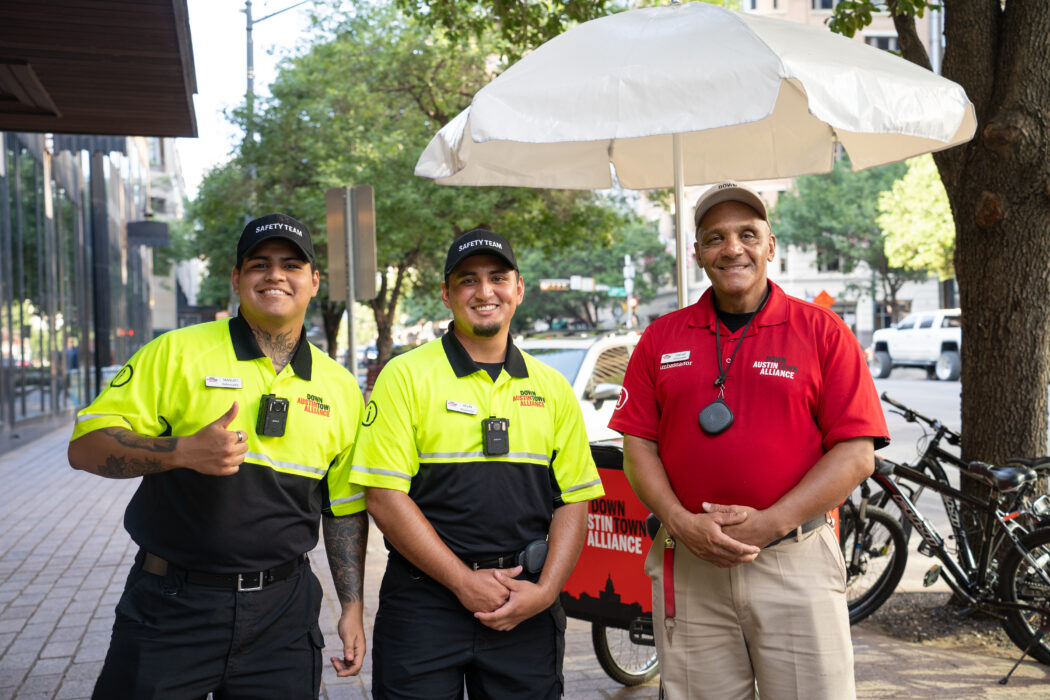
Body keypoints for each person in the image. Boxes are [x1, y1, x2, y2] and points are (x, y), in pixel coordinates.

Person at [67, 213, 369, 699]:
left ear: (314, 281)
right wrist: (180, 451)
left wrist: (351, 607)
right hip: (171, 607)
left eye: (291, 265)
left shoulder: (339, 387)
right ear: (236, 278)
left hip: (285, 617)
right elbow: (85, 448)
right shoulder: (175, 353)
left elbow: (343, 509)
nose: (274, 275)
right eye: (258, 264)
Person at [609, 181, 889, 700]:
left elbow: (856, 455)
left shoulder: (823, 332)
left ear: (771, 245)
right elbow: (638, 447)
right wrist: (680, 522)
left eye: (747, 234)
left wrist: (770, 524)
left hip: (794, 559)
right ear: (696, 253)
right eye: (715, 238)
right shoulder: (660, 338)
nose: (732, 248)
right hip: (690, 563)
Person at [350, 229, 605, 699]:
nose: (485, 292)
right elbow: (383, 496)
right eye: (469, 280)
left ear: (519, 289)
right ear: (447, 294)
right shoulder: (405, 376)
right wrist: (463, 582)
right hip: (424, 605)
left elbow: (576, 498)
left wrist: (547, 592)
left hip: (524, 606)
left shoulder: (551, 388)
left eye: (498, 277)